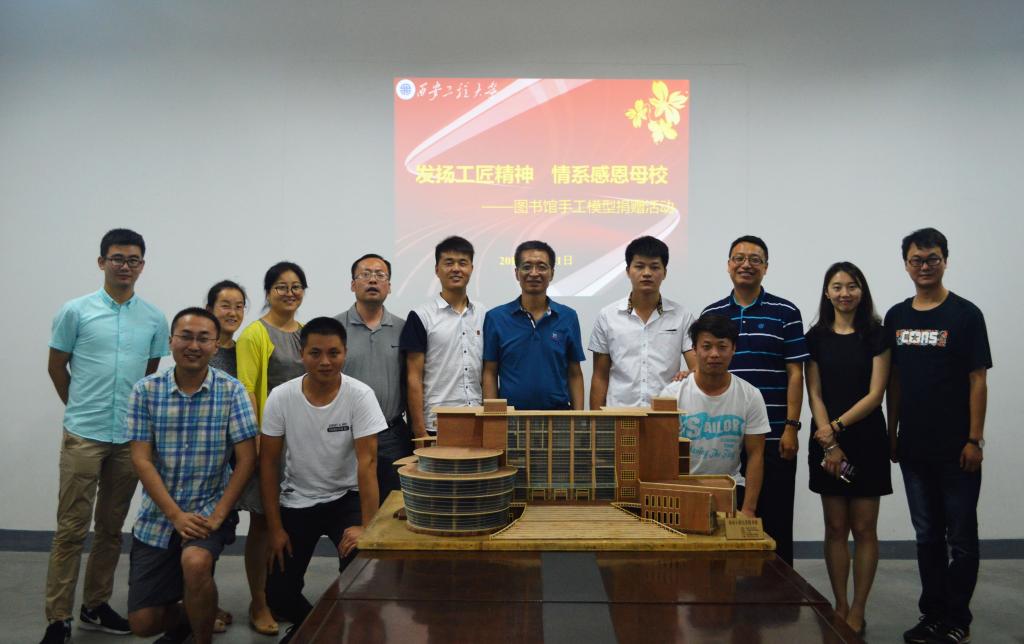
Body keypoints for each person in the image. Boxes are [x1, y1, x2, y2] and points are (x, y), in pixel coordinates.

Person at [42, 228, 169, 644]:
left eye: (133, 260)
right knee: (70, 530)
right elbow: (56, 366)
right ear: (102, 262)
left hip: (128, 439)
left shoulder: (154, 318)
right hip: (84, 434)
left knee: (112, 529)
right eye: (117, 258)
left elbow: (148, 373)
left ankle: (94, 605)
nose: (125, 266)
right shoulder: (75, 311)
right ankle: (58, 618)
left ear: (142, 266)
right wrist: (77, 406)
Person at [125, 308, 258, 644]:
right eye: (185, 336)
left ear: (215, 345)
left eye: (203, 338)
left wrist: (219, 514)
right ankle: (196, 612)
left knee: (196, 562)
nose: (194, 345)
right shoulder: (145, 390)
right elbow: (141, 459)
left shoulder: (232, 391)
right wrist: (175, 515)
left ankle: (202, 637)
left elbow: (247, 459)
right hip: (158, 516)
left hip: (209, 510)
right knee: (142, 623)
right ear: (171, 341)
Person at [886, 228, 991, 644]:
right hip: (914, 447)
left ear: (945, 261)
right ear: (906, 265)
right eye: (917, 260)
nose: (924, 266)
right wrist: (892, 431)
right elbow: (893, 380)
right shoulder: (897, 317)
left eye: (932, 258)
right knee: (927, 536)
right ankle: (931, 615)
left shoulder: (966, 315)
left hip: (957, 448)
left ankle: (957, 619)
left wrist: (974, 439)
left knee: (960, 539)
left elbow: (978, 380)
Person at [260, 317, 385, 642]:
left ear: (345, 353)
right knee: (278, 595)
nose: (325, 361)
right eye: (315, 353)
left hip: (347, 498)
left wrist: (367, 527)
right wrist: (275, 528)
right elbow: (269, 464)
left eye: (334, 353)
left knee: (363, 573)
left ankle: (328, 632)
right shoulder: (281, 397)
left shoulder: (360, 395)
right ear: (302, 354)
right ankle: (317, 631)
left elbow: (367, 463)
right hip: (297, 499)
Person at [702, 235, 808, 565]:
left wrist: (791, 426)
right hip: (726, 439)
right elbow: (704, 369)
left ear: (766, 267)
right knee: (724, 522)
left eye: (755, 259)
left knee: (776, 521)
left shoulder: (785, 312)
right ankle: (729, 589)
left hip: (775, 435)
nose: (746, 264)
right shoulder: (713, 313)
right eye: (739, 258)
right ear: (728, 265)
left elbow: (795, 373)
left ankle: (780, 590)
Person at [805, 262, 891, 636]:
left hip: (866, 438)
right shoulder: (814, 337)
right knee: (835, 527)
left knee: (865, 528)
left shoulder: (877, 334)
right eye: (837, 286)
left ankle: (858, 608)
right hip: (827, 442)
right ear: (827, 293)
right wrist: (829, 441)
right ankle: (840, 604)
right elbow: (814, 392)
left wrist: (836, 429)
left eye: (852, 286)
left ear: (862, 291)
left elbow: (876, 394)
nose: (844, 293)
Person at [236, 261, 309, 636]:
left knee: (290, 522)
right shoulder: (255, 334)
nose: (290, 293)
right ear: (268, 292)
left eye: (297, 286)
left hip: (302, 446)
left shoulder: (305, 333)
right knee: (263, 524)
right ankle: (259, 600)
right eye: (281, 286)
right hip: (268, 445)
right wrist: (259, 445)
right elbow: (247, 389)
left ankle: (282, 595)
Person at [659, 314, 768, 517]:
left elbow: (756, 454)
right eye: (707, 346)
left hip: (730, 487)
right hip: (682, 488)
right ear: (694, 349)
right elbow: (661, 454)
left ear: (734, 348)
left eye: (722, 346)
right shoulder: (671, 395)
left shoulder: (750, 395)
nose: (714, 354)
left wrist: (749, 509)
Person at [335, 254, 409, 505]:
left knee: (394, 507)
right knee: (349, 507)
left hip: (391, 434)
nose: (373, 280)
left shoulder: (403, 328)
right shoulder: (335, 328)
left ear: (389, 285)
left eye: (380, 275)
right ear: (352, 284)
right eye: (365, 274)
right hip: (346, 434)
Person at [589, 235, 696, 410]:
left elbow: (697, 369)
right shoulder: (608, 316)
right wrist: (596, 421)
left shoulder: (682, 316)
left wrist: (687, 376)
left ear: (665, 272)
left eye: (654, 267)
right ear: (628, 271)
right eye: (639, 266)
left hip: (664, 414)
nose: (647, 273)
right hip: (619, 413)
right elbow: (600, 377)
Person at [483, 240, 585, 410]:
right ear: (516, 273)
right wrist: (492, 417)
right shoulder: (496, 318)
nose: (534, 273)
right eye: (527, 267)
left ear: (552, 273)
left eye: (542, 267)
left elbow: (574, 374)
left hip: (558, 417)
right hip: (510, 417)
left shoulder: (568, 317)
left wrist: (578, 419)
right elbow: (489, 372)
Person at [400, 236, 485, 437]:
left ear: (471, 269)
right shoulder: (421, 316)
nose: (456, 269)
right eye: (449, 263)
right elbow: (414, 377)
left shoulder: (483, 314)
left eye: (462, 263)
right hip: (436, 425)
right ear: (437, 270)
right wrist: (419, 431)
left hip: (478, 420)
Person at [203, 280, 249, 634]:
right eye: (225, 305)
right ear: (210, 309)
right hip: (204, 455)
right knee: (202, 531)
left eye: (238, 306)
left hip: (237, 454)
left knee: (218, 532)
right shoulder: (201, 348)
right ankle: (198, 606)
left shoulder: (244, 349)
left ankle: (203, 601)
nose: (232, 312)